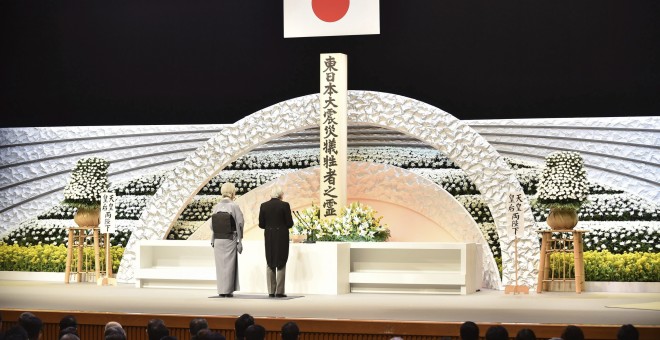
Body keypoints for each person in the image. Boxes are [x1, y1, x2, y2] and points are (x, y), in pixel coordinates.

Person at [258, 186, 294, 298]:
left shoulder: (264, 206)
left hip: (269, 235)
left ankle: (270, 291)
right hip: (282, 236)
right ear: (280, 195)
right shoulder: (285, 205)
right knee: (282, 261)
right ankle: (279, 291)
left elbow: (261, 224)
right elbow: (289, 223)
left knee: (270, 260)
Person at [211, 182, 245, 298]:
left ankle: (221, 290)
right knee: (229, 265)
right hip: (230, 238)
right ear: (232, 192)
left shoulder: (216, 207)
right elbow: (240, 223)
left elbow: (211, 226)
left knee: (220, 266)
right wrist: (240, 240)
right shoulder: (234, 206)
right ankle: (228, 290)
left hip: (218, 239)